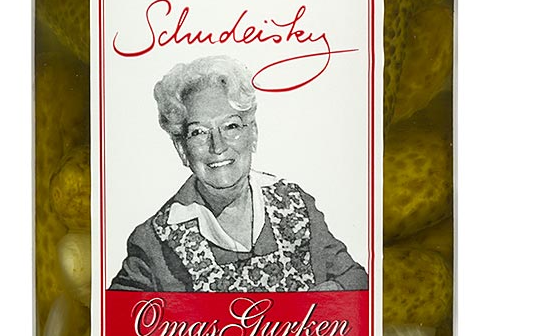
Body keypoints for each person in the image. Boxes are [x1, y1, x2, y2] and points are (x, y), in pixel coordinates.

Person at [110, 55, 368, 292]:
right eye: (199, 132)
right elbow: (118, 315)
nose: (218, 146)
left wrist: (332, 292)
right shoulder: (153, 242)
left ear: (252, 133)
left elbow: (356, 279)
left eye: (231, 126)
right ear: (182, 149)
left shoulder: (295, 205)